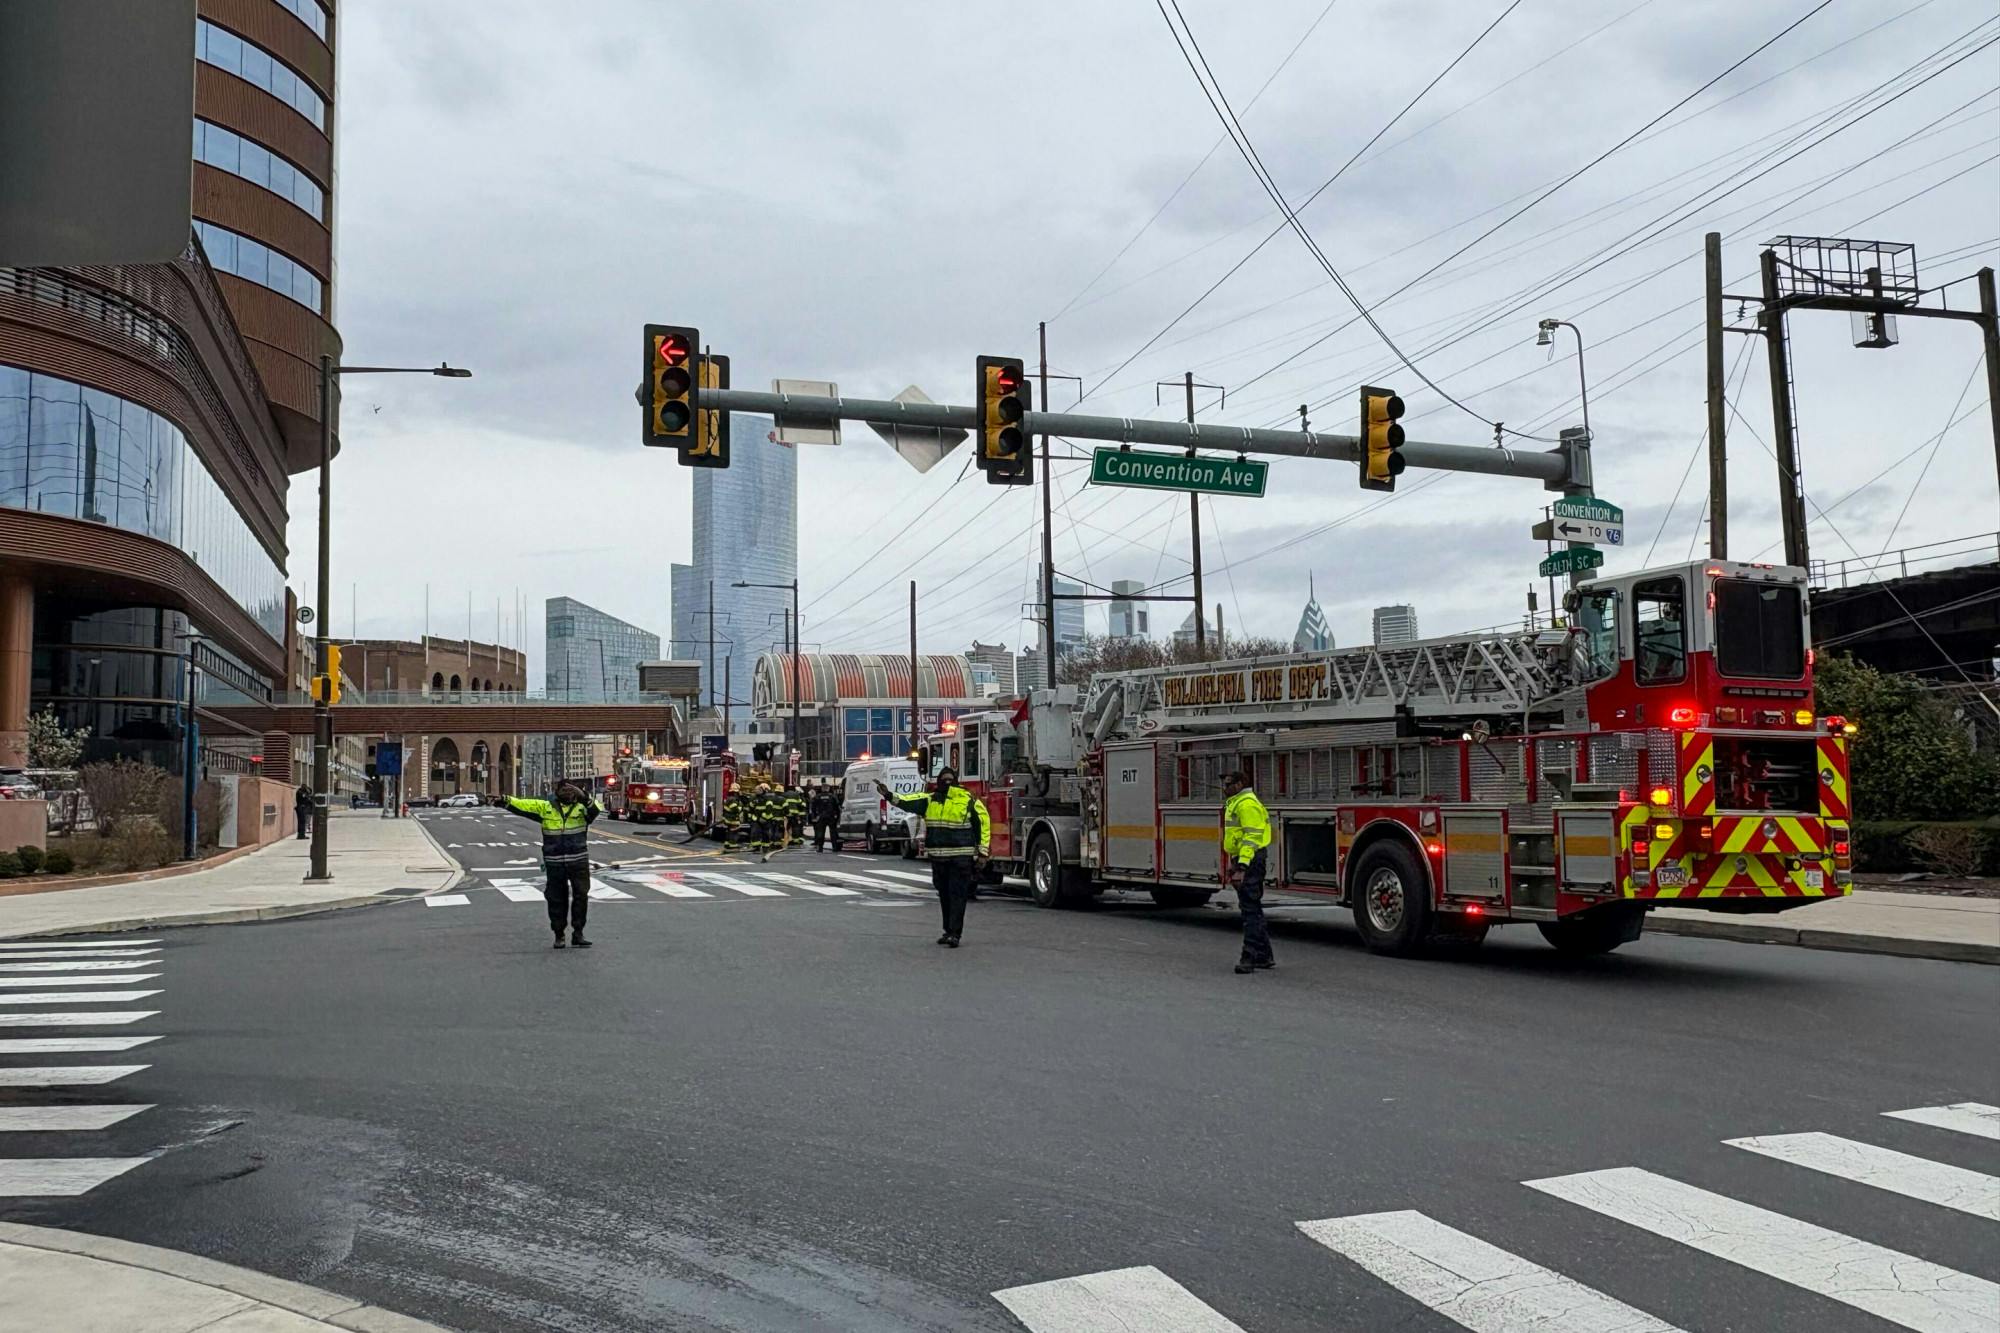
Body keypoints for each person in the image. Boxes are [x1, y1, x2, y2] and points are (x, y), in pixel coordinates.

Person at [878, 765, 988, 948]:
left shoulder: (968, 800)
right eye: (944, 779)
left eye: (950, 779)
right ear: (938, 781)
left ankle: (955, 934)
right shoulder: (930, 800)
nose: (947, 782)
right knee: (944, 894)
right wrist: (888, 795)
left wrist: (983, 852)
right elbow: (907, 801)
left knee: (957, 895)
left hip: (961, 857)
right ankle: (948, 931)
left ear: (955, 781)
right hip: (939, 858)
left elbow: (983, 824)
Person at [497, 782, 599, 949]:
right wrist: (504, 800)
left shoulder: (583, 808)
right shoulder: (546, 807)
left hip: (578, 861)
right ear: (556, 792)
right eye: (564, 789)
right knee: (556, 898)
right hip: (554, 862)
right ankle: (559, 934)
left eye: (571, 789)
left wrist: (584, 796)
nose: (567, 792)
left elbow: (595, 810)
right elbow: (523, 805)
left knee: (581, 896)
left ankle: (578, 933)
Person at [1220, 770, 1275, 974]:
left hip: (1250, 860)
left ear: (1240, 784)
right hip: (1246, 858)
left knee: (1250, 910)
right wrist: (1235, 862)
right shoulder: (1238, 803)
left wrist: (1242, 866)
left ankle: (1249, 957)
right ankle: (1263, 955)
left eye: (1228, 784)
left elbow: (1251, 838)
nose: (1224, 788)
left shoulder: (1247, 805)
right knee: (1252, 908)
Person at [810, 784, 839, 852]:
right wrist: (837, 816)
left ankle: (820, 848)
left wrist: (814, 816)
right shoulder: (832, 796)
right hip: (831, 816)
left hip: (821, 817)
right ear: (828, 788)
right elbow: (837, 806)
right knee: (833, 832)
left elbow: (813, 807)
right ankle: (834, 847)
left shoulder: (818, 796)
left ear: (822, 789)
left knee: (821, 832)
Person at [783, 783, 807, 850]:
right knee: (796, 827)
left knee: (787, 827)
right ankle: (795, 840)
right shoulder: (797, 796)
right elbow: (801, 805)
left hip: (787, 814)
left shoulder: (784, 794)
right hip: (795, 814)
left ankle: (788, 839)